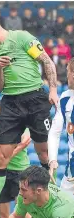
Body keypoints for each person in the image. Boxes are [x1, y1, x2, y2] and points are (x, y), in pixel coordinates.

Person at [0, 16, 59, 218]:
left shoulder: (21, 37)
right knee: (1, 157)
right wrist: (0, 69)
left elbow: (46, 61)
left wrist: (52, 90)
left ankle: (54, 200)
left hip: (35, 98)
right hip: (11, 103)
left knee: (44, 153)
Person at [48, 57, 74, 196]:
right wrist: (52, 159)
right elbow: (54, 132)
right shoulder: (65, 98)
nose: (66, 76)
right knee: (62, 212)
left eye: (68, 71)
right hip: (71, 169)